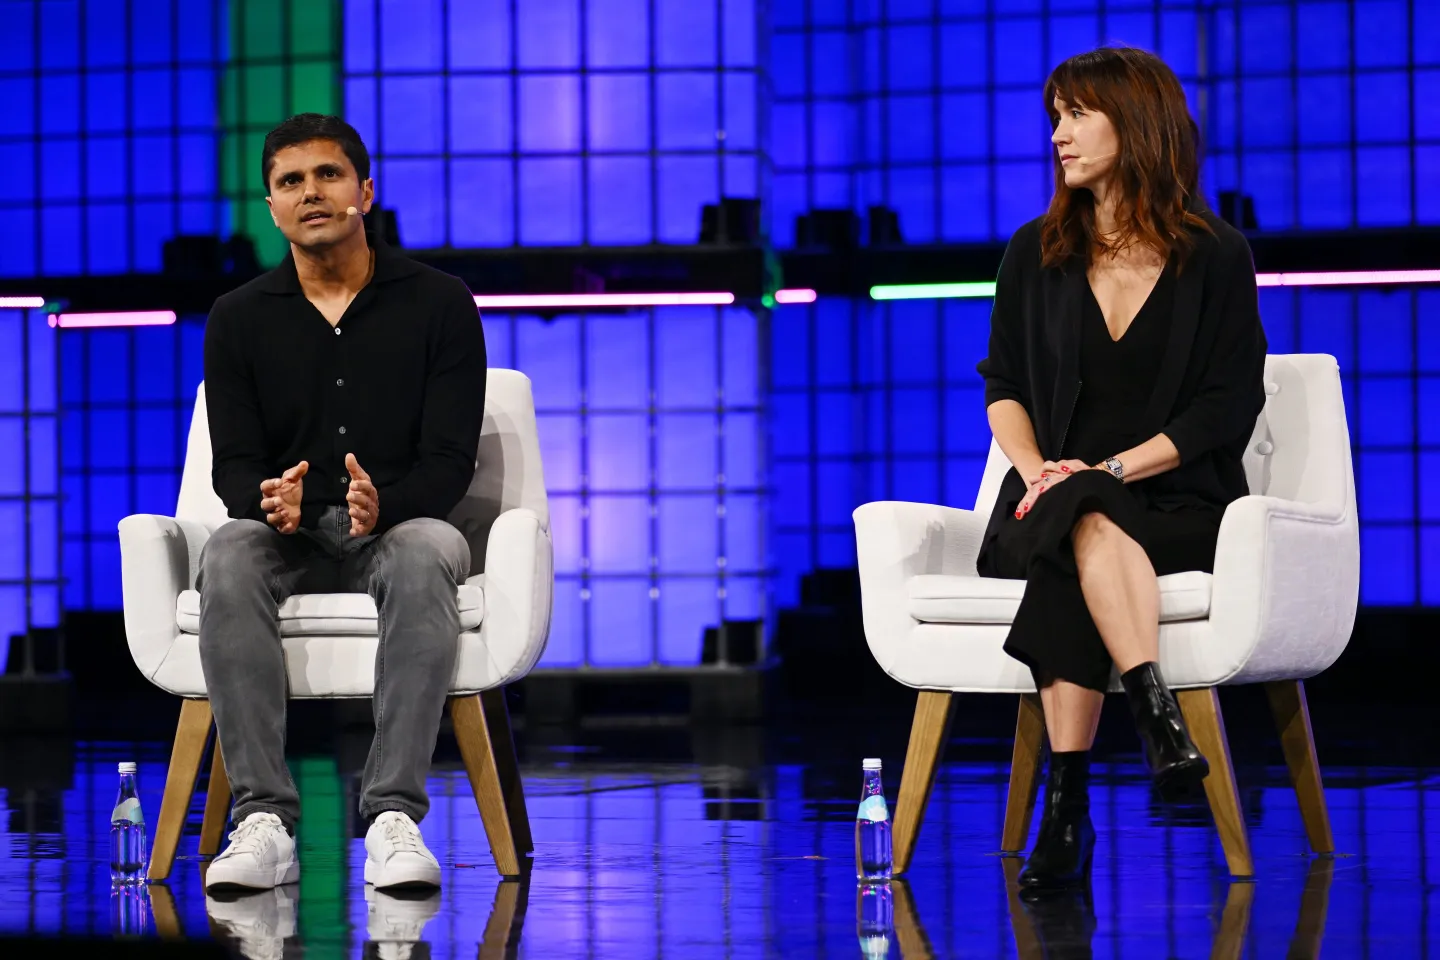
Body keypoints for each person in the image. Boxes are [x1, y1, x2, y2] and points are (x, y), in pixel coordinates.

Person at [975, 48, 1267, 891]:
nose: (1058, 136)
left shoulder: (1215, 256)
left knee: (1088, 516)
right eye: (1054, 117)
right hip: (1046, 502)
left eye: (1076, 115)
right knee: (1082, 519)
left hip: (1176, 501)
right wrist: (1037, 474)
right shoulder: (1034, 252)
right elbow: (1002, 387)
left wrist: (1102, 469)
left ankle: (1066, 809)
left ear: (1135, 123)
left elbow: (1225, 407)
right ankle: (1153, 708)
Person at [198, 114, 487, 891]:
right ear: (271, 206)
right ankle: (263, 819)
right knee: (227, 551)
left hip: (401, 525)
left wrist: (382, 505)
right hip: (287, 536)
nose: (310, 193)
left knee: (426, 551)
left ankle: (392, 816)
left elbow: (451, 461)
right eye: (290, 182)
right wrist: (267, 503)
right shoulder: (237, 318)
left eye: (327, 175)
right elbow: (235, 465)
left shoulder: (440, 303)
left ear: (365, 189)